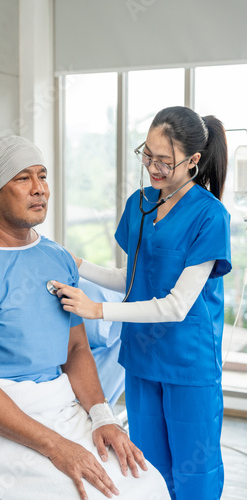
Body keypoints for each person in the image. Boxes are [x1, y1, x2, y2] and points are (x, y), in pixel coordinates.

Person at [0, 136, 170, 500]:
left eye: (43, 176)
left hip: (50, 402)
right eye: (22, 179)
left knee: (145, 484)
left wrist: (103, 418)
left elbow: (77, 346)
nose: (39, 190)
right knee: (89, 493)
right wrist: (58, 447)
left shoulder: (56, 258)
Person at [53, 106, 232, 500]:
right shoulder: (140, 204)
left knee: (194, 474)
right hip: (141, 359)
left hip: (189, 362)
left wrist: (97, 309)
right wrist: (77, 264)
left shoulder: (210, 216)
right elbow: (129, 278)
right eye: (147, 155)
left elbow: (176, 306)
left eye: (164, 161)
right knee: (146, 468)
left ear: (193, 161)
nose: (153, 167)